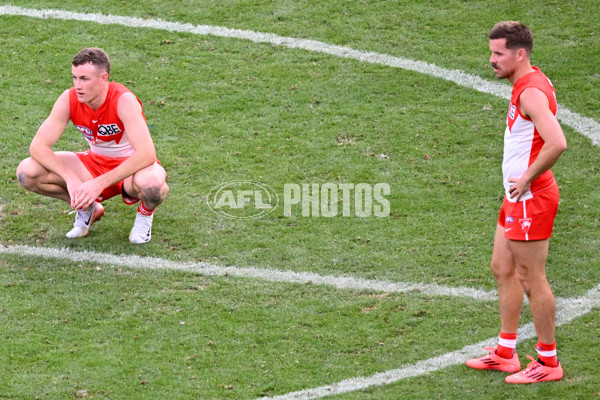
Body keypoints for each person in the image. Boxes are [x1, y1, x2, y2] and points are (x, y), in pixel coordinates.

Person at [466, 22, 567, 383]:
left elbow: (557, 141)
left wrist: (525, 178)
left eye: (498, 53)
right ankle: (505, 352)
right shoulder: (525, 82)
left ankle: (548, 362)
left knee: (531, 278)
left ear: (519, 54)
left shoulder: (531, 93)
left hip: (531, 198)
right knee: (501, 267)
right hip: (517, 197)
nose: (491, 60)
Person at [16, 48, 168, 244]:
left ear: (103, 78)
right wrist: (70, 178)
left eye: (84, 79)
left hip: (132, 168)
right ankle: (88, 208)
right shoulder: (69, 98)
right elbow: (38, 147)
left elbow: (147, 154)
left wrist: (97, 184)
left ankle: (145, 216)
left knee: (153, 186)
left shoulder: (123, 100)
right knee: (26, 172)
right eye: (75, 78)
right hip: (95, 163)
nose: (77, 85)